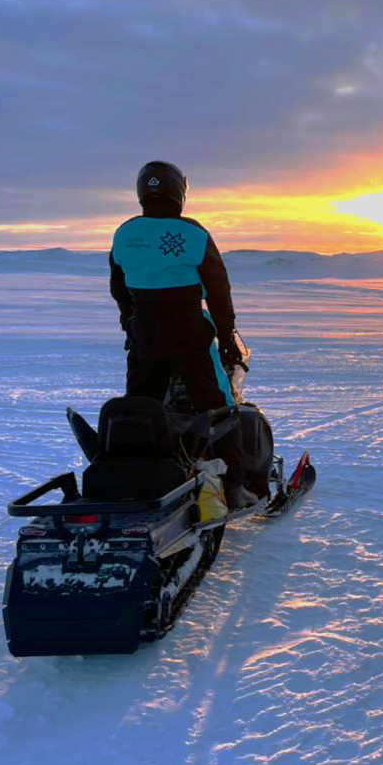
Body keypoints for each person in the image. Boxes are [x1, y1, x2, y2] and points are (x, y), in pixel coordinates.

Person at [109, 160, 258, 509]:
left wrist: (130, 324)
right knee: (219, 407)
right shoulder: (194, 234)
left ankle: (134, 477)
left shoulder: (125, 234)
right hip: (190, 334)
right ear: (180, 193)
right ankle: (236, 487)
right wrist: (226, 338)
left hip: (145, 334)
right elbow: (219, 293)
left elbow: (119, 287)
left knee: (140, 406)